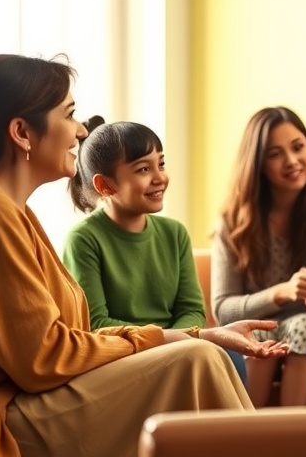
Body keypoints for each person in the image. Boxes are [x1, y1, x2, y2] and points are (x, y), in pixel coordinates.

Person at [0, 54, 287, 457]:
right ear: (22, 132)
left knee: (202, 353)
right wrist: (175, 340)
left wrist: (197, 333)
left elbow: (66, 341)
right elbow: (44, 360)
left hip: (30, 404)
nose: (81, 130)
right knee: (197, 362)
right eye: (69, 115)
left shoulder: (1, 208)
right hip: (3, 426)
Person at [63, 116, 246, 383]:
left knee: (230, 356)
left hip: (180, 345)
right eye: (142, 170)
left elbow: (192, 310)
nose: (160, 178)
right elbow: (96, 324)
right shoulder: (83, 239)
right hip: (125, 353)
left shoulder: (175, 233)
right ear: (105, 185)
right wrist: (169, 341)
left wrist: (179, 343)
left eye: (160, 164)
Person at [212, 106, 306, 407]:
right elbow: (223, 309)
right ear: (259, 164)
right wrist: (281, 293)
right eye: (275, 154)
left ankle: (291, 434)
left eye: (298, 147)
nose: (292, 161)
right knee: (260, 332)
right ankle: (247, 432)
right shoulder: (232, 221)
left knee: (304, 324)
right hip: (257, 328)